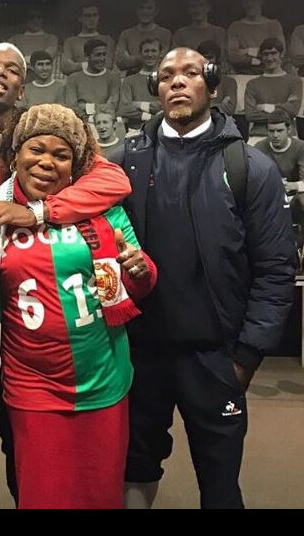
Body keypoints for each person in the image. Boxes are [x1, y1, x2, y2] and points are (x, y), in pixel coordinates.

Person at [0, 43, 133, 509]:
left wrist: (32, 211)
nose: (1, 73)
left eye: (13, 69)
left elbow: (113, 181)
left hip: (9, 327)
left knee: (20, 443)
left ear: (22, 87)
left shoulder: (37, 141)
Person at [108, 47, 296, 509]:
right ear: (155, 89)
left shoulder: (251, 168)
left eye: (190, 73)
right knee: (134, 466)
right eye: (167, 74)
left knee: (219, 480)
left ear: (211, 86)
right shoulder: (123, 164)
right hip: (140, 354)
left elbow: (275, 269)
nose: (177, 81)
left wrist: (248, 355)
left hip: (216, 356)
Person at [255, 109, 304, 248]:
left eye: (279, 130)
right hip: (269, 196)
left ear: (289, 129)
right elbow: (254, 179)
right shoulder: (260, 147)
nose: (275, 135)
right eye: (271, 131)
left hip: (294, 197)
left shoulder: (300, 147)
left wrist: (293, 186)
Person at [244, 37, 302, 145]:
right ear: (261, 56)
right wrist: (283, 113)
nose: (269, 58)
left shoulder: (294, 82)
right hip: (258, 135)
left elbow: (293, 111)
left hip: (287, 135)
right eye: (265, 54)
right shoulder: (253, 84)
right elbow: (250, 114)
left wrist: (268, 107)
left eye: (273, 53)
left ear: (281, 54)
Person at [226, 0, 285, 75]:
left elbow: (281, 52)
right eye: (246, 1)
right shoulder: (235, 27)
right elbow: (232, 56)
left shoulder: (274, 25)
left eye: (253, 0)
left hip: (270, 74)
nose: (250, 4)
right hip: (243, 74)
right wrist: (253, 57)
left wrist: (245, 51)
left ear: (260, 2)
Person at [114, 0, 172, 77]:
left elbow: (163, 61)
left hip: (157, 77)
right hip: (132, 77)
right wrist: (149, 58)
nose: (145, 11)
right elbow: (120, 61)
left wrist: (132, 59)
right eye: (141, 8)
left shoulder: (165, 34)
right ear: (136, 11)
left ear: (156, 11)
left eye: (149, 8)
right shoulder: (126, 34)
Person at [65, 38, 121, 120]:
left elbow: (112, 107)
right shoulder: (73, 78)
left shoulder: (113, 77)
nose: (102, 59)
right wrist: (97, 110)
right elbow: (71, 107)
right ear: (87, 57)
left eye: (104, 54)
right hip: (82, 123)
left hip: (104, 123)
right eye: (98, 55)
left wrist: (86, 106)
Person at [117, 37, 162, 135]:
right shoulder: (129, 80)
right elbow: (124, 109)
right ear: (140, 54)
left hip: (161, 129)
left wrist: (139, 104)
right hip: (137, 132)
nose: (150, 55)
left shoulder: (166, 78)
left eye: (154, 51)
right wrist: (149, 116)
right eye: (146, 51)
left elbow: (165, 106)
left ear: (160, 54)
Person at [171, 0, 226, 67]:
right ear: (188, 10)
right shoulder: (180, 34)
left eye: (201, 5)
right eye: (193, 6)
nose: (197, 10)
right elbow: (175, 59)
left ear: (208, 7)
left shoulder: (219, 32)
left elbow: (222, 58)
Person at [61, 3, 115, 76]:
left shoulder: (107, 40)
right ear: (80, 18)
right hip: (78, 82)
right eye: (87, 16)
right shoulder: (70, 42)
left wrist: (78, 65)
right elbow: (66, 67)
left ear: (98, 17)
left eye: (94, 15)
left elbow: (107, 66)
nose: (92, 19)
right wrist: (93, 64)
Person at [196, 40, 237, 116]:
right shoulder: (191, 81)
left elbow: (229, 109)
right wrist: (219, 106)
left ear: (217, 59)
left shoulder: (229, 82)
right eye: (203, 58)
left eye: (210, 57)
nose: (206, 61)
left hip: (220, 123)